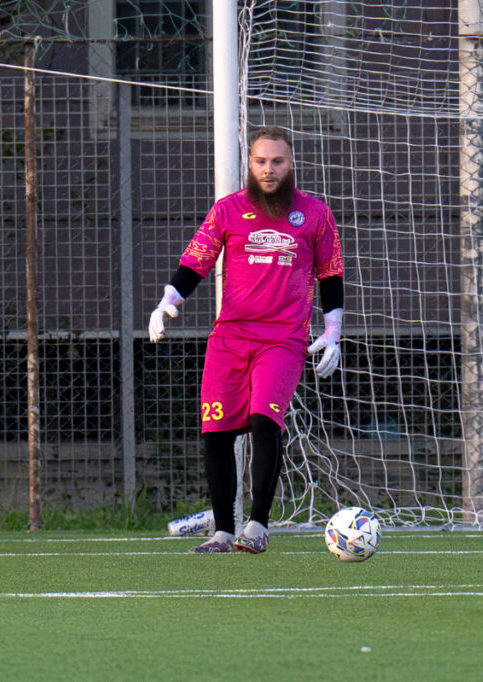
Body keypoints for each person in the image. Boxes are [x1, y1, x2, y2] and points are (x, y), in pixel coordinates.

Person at [148, 126, 345, 554]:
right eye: (260, 161)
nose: (268, 169)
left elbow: (330, 274)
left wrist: (333, 331)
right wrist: (167, 301)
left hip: (283, 339)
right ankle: (222, 532)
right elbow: (195, 262)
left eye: (277, 161)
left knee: (263, 421)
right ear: (249, 164)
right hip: (229, 338)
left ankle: (256, 526)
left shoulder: (315, 214)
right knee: (216, 431)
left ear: (291, 165)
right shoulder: (227, 211)